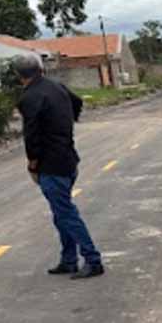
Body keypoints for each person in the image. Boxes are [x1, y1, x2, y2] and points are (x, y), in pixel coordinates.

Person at [14, 54, 104, 279]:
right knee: (60, 212)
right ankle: (69, 260)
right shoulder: (57, 87)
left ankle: (92, 260)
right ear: (40, 69)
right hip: (68, 158)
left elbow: (31, 134)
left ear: (18, 75)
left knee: (65, 213)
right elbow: (78, 102)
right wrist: (65, 125)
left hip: (50, 165)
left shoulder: (29, 97)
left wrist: (32, 164)